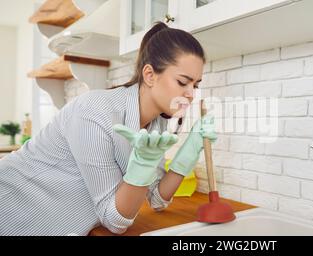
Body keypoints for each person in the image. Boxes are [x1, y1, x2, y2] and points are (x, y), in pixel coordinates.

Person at [0, 22, 216, 236]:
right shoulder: (95, 111)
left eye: (195, 85)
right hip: (11, 209)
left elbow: (157, 198)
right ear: (150, 75)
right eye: (182, 82)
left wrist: (189, 151)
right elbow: (114, 221)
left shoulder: (156, 124)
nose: (191, 93)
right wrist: (143, 165)